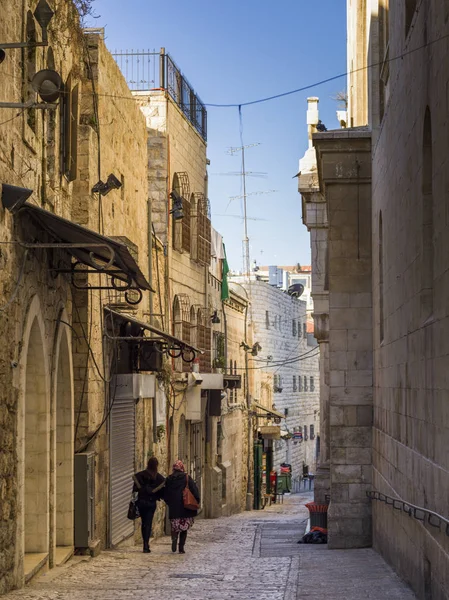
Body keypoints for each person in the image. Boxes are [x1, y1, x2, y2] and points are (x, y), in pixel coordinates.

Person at [163, 460, 200, 554]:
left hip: (174, 508)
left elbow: (165, 493)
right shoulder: (187, 478)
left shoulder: (169, 479)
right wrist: (197, 500)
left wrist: (169, 502)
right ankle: (181, 547)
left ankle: (174, 539)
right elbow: (194, 490)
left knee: (175, 527)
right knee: (184, 528)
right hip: (185, 507)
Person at [133, 456, 165, 553]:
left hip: (142, 502)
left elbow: (135, 488)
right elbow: (162, 491)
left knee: (144, 523)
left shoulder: (141, 475)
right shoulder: (158, 478)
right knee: (148, 523)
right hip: (151, 503)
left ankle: (145, 543)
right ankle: (146, 544)